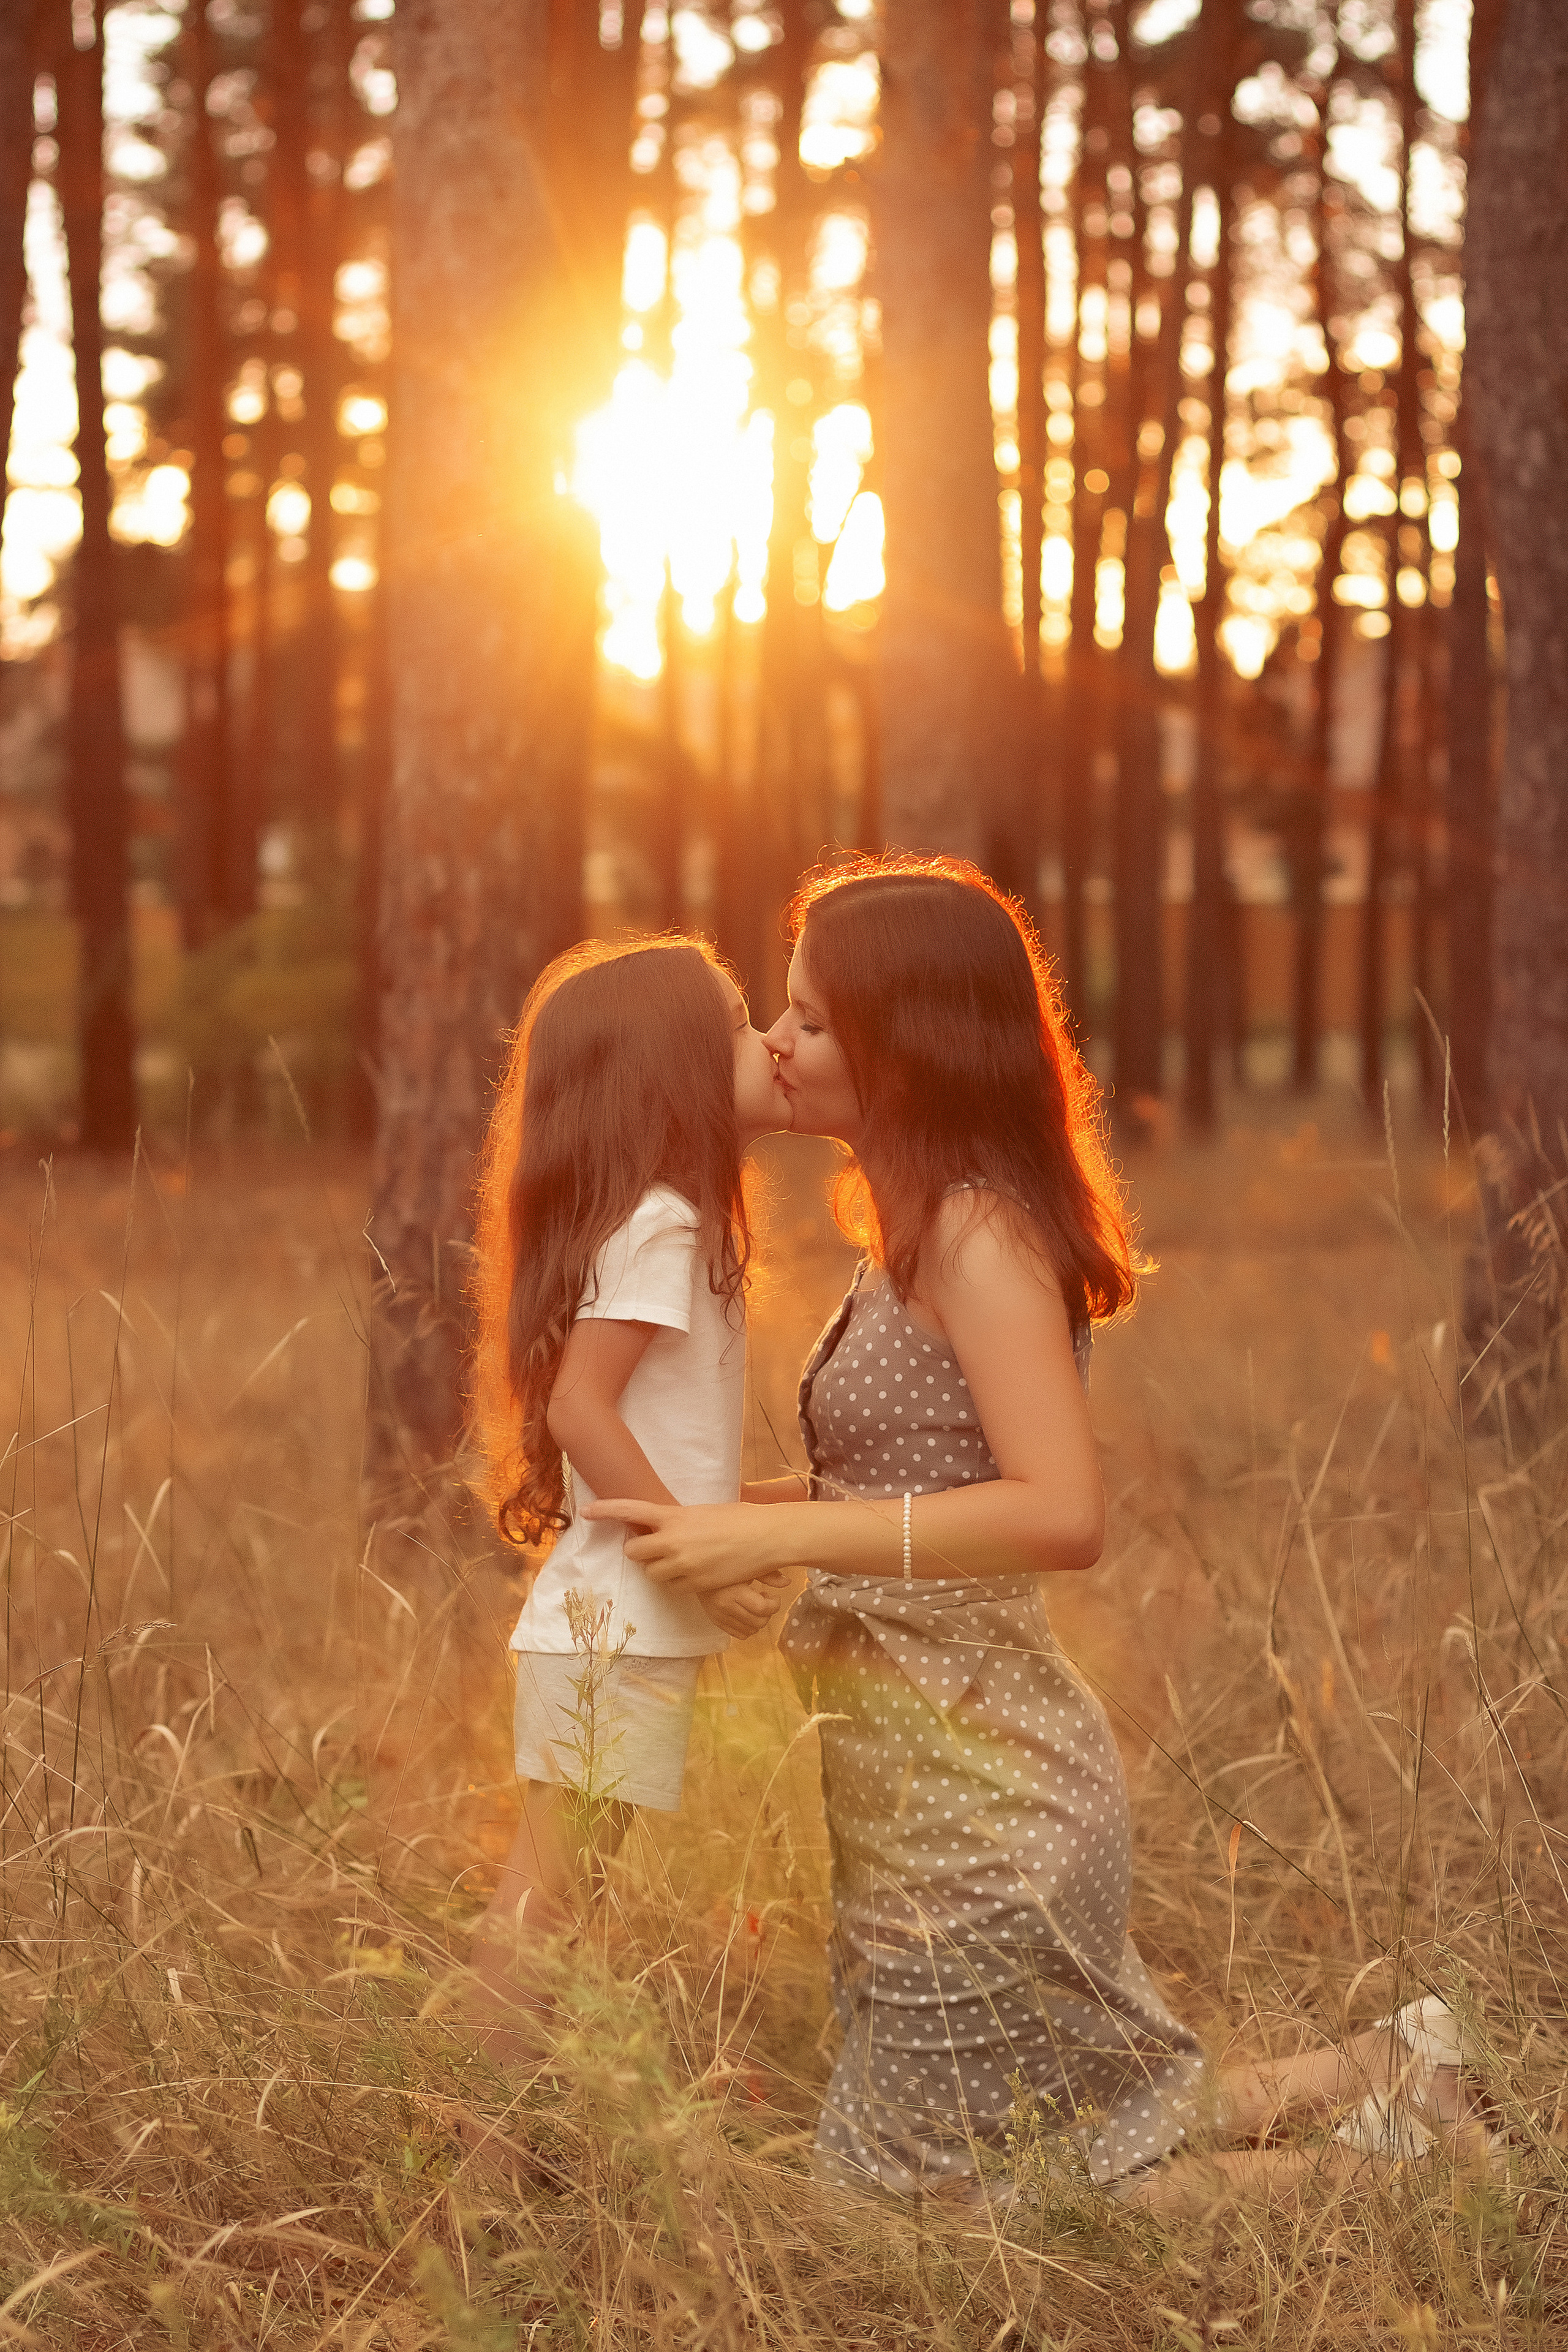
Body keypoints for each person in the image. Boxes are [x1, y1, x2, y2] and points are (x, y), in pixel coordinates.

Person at [587, 857, 1488, 2207]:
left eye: (813, 1020)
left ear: (911, 1044)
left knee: (949, 2213)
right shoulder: (907, 1228)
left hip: (986, 1790)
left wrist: (769, 1542)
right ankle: (1388, 2067)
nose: (776, 1043)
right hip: (920, 1778)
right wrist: (716, 1523)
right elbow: (894, 1479)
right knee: (1063, 2132)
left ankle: (1424, 2182)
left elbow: (1061, 1515)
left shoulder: (978, 1238)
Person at [465, 937, 789, 2046]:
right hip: (613, 1626)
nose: (769, 1046)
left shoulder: (661, 1219)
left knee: (560, 1899)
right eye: (742, 1026)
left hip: (614, 1625)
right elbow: (580, 1411)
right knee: (545, 1904)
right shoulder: (666, 1221)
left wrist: (781, 1506)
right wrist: (693, 1554)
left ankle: (488, 2138)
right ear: (677, 1072)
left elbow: (665, 1455)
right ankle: (473, 2161)